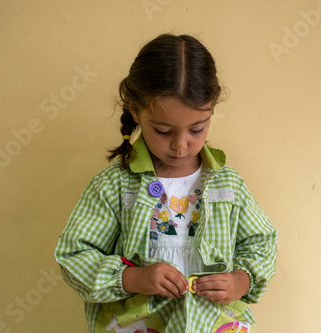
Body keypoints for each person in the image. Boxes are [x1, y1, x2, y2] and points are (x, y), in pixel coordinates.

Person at [55, 33, 277, 333]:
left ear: (210, 113)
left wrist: (241, 280)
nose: (181, 146)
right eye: (163, 131)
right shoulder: (115, 186)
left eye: (196, 130)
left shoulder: (228, 184)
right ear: (135, 112)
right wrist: (131, 279)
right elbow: (74, 255)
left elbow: (261, 243)